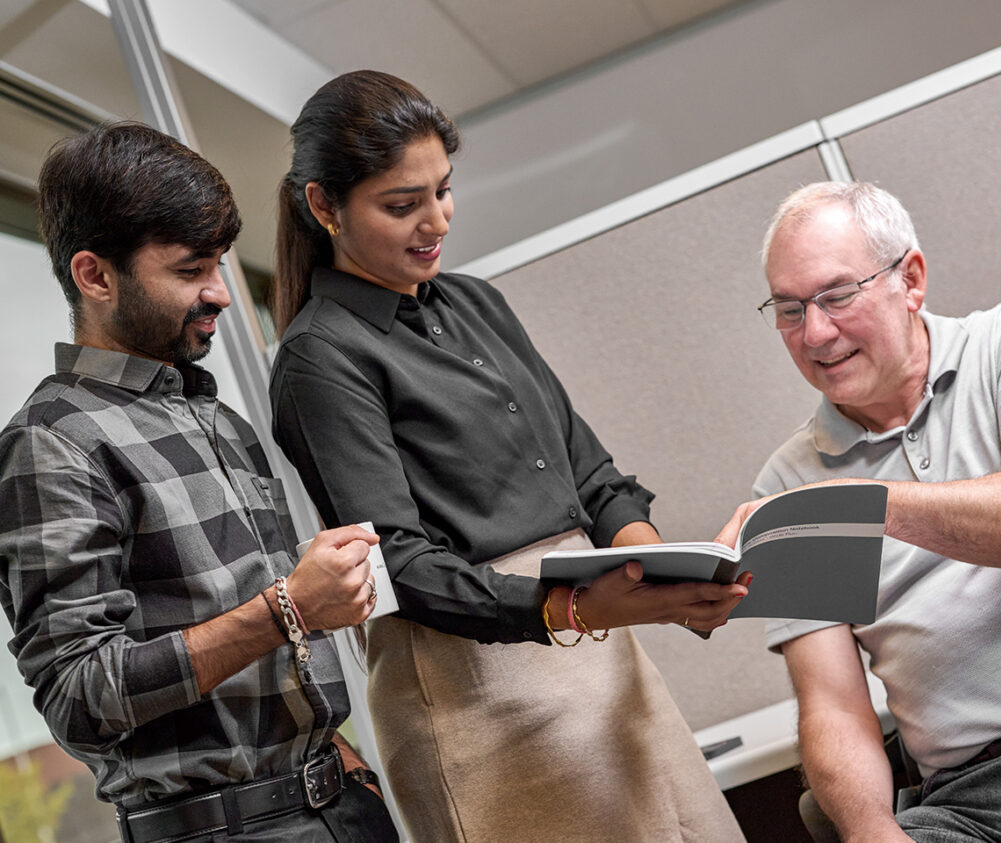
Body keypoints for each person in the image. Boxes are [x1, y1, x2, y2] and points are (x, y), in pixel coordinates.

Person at [269, 70, 750, 842]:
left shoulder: (475, 302)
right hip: (483, 693)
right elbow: (401, 564)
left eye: (443, 190)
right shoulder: (321, 357)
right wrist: (581, 604)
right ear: (324, 205)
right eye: (402, 204)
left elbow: (590, 474)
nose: (436, 221)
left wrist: (664, 574)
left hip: (605, 665)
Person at [0, 123, 399, 843]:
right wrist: (288, 608)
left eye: (218, 263)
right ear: (95, 275)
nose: (219, 291)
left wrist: (341, 758)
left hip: (338, 805)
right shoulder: (52, 441)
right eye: (190, 270)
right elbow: (80, 693)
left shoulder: (216, 419)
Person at [720, 181, 1001, 843]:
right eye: (790, 309)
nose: (816, 333)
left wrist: (850, 507)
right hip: (971, 800)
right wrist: (869, 831)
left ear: (909, 279)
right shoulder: (789, 480)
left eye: (836, 296)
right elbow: (831, 703)